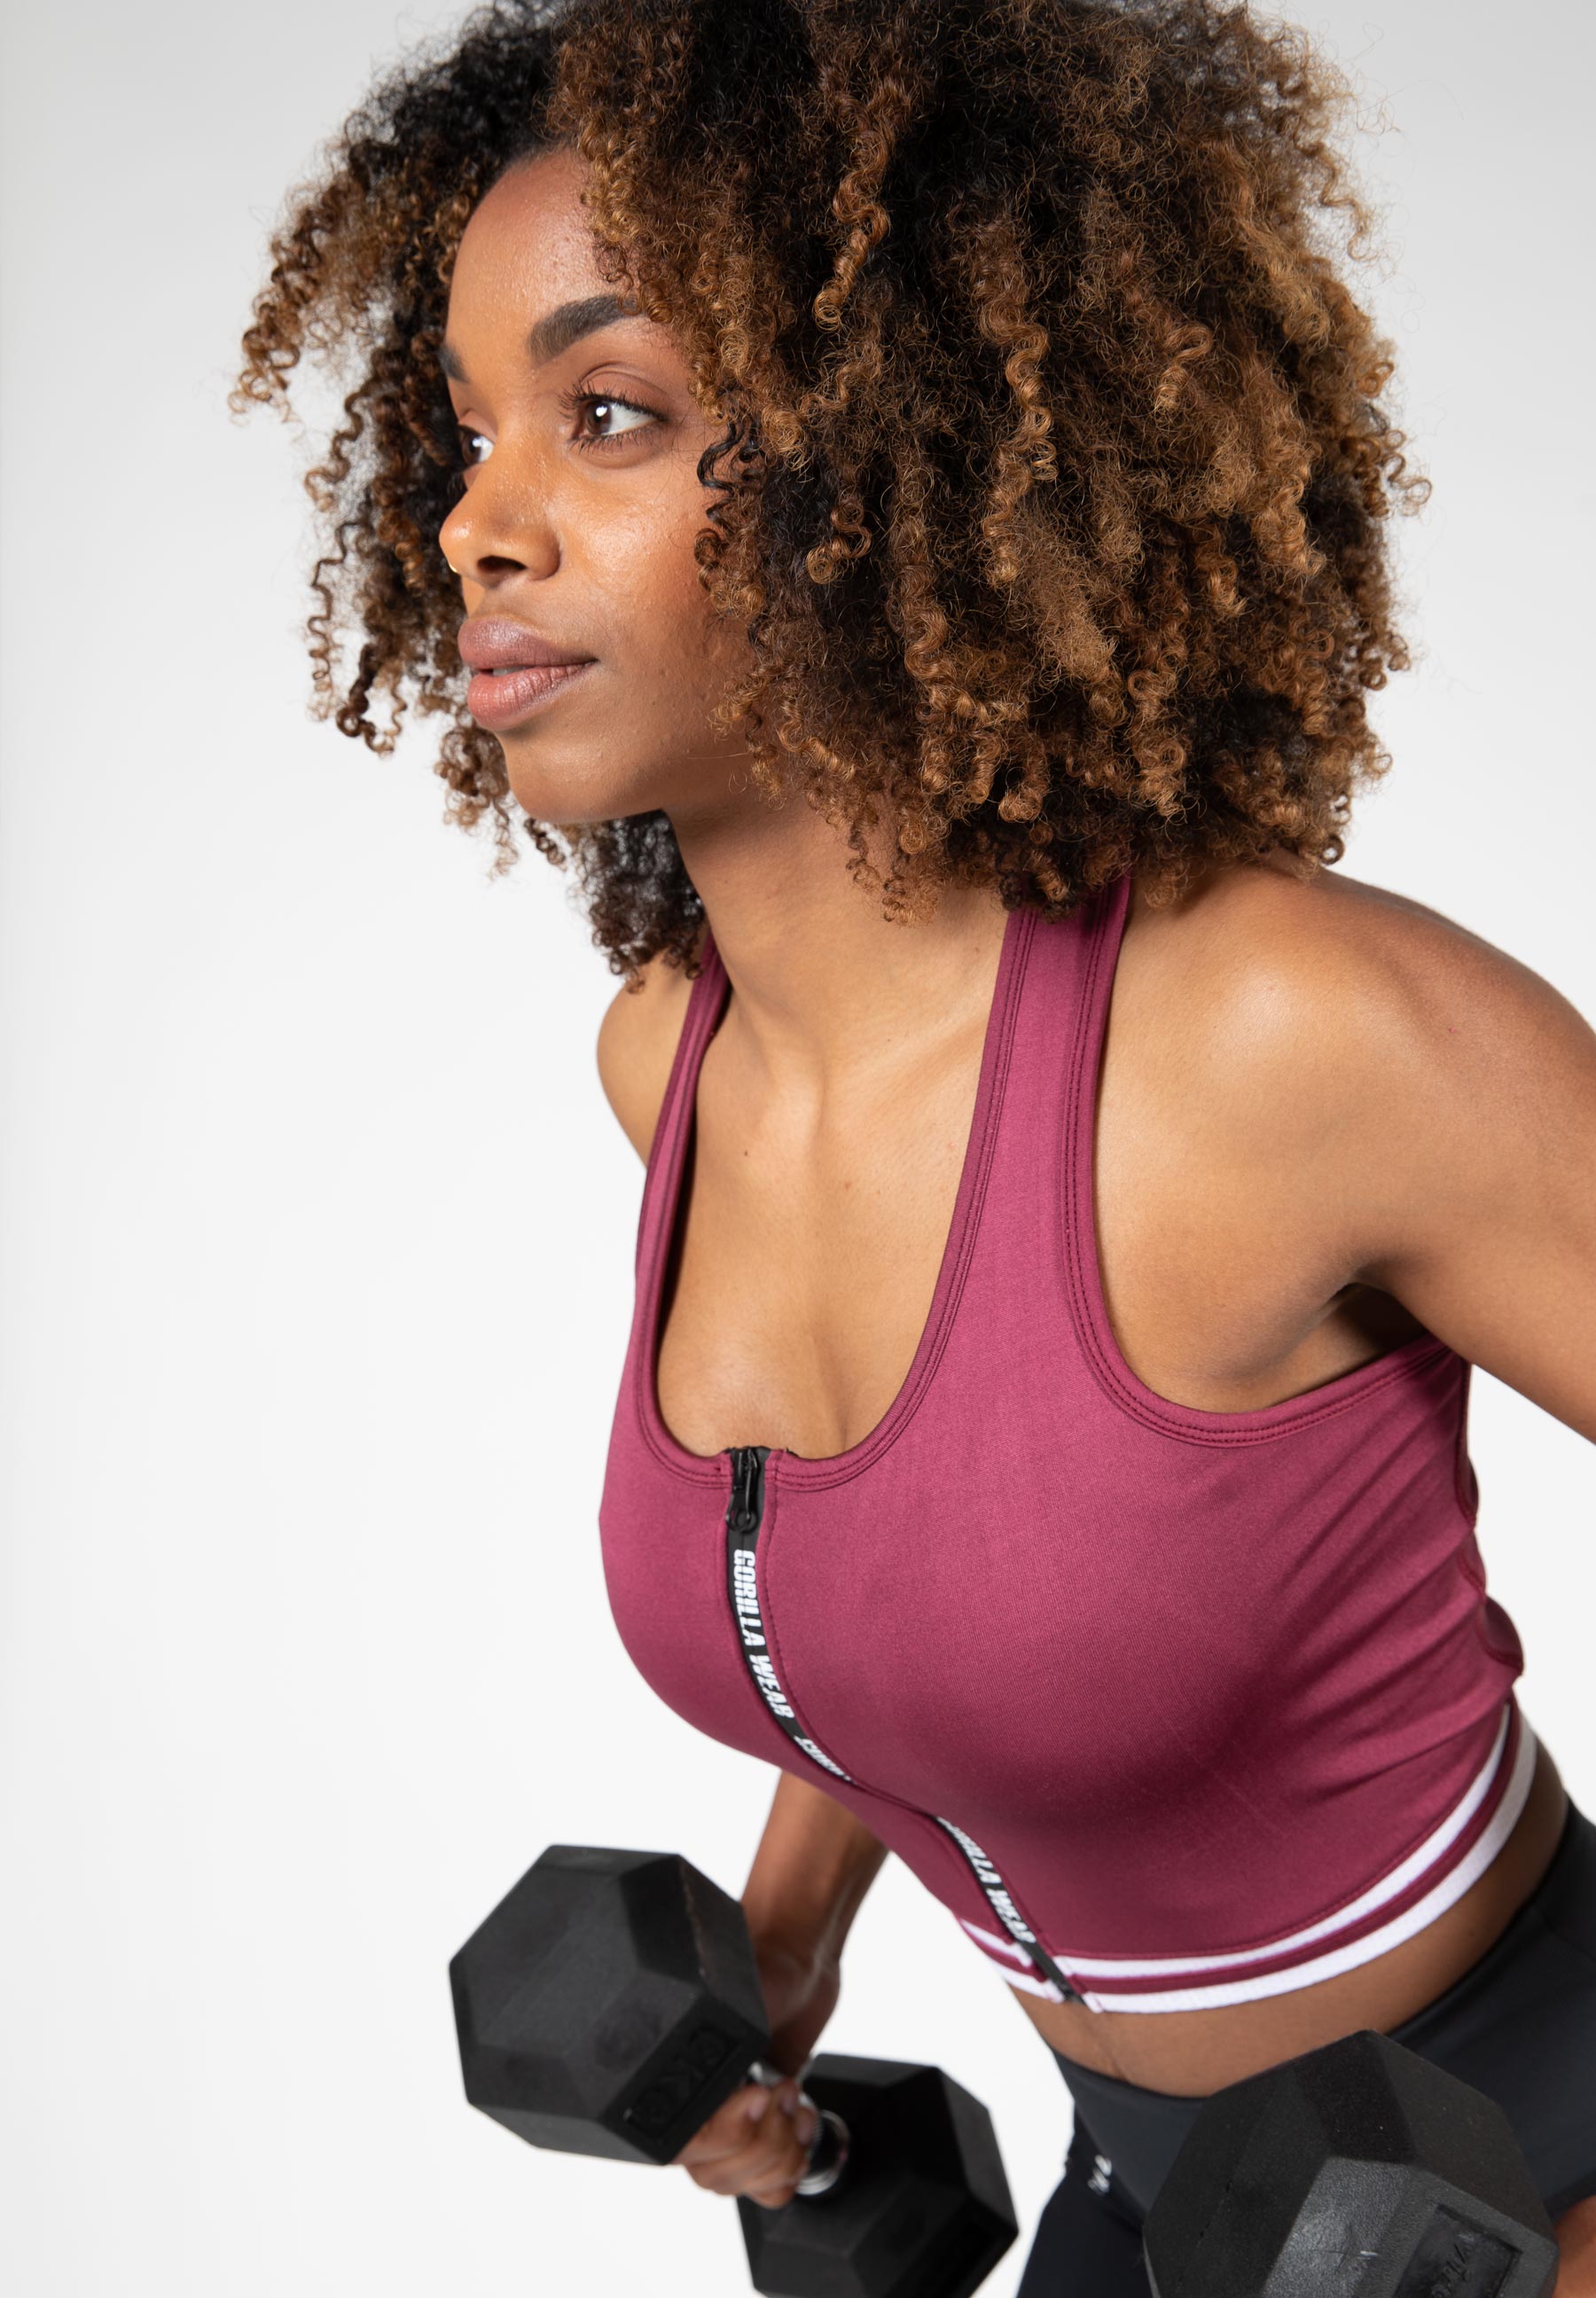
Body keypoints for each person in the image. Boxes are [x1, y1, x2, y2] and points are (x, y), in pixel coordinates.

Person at [232, 0, 1596, 2285]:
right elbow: (944, 1574)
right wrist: (789, 1937)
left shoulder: (1291, 1040)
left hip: (1526, 2146)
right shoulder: (673, 1071)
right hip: (1152, 2199)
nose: (478, 521)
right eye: (469, 428)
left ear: (889, 455)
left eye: (608, 413)